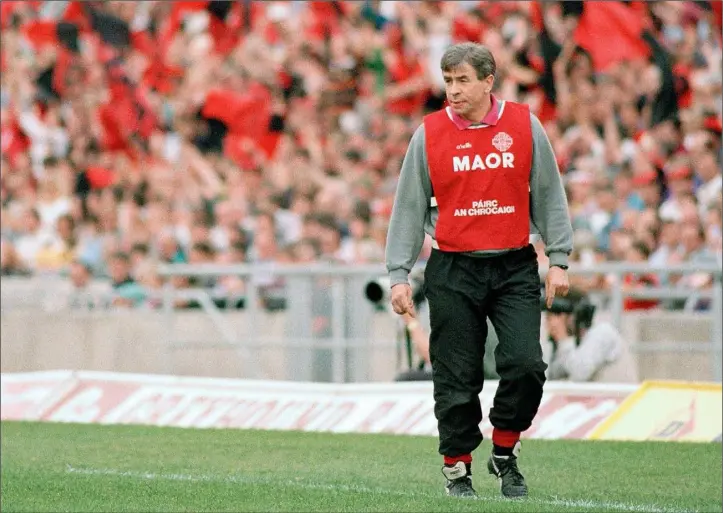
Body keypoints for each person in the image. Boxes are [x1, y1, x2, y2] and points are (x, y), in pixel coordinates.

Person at [385, 42, 573, 499]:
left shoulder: (524, 125)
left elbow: (549, 194)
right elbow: (408, 208)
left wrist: (559, 259)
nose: (453, 90)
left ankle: (505, 450)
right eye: (448, 81)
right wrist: (398, 273)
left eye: (463, 80)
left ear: (489, 81)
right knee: (456, 375)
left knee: (526, 364)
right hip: (451, 268)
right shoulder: (428, 134)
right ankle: (457, 468)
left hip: (514, 266)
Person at [543, 288, 639, 383]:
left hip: (622, 397)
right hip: (601, 397)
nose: (550, 323)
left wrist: (563, 337)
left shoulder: (602, 332)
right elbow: (552, 377)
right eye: (548, 318)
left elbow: (580, 373)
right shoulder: (574, 342)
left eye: (553, 317)